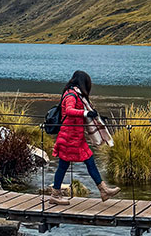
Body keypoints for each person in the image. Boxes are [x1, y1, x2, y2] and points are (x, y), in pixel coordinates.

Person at [48, 70, 120, 205]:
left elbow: (81, 113)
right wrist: (86, 113)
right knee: (65, 164)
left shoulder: (77, 95)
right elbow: (69, 110)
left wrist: (96, 117)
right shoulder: (71, 95)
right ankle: (55, 195)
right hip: (69, 137)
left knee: (86, 161)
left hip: (76, 136)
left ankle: (103, 190)